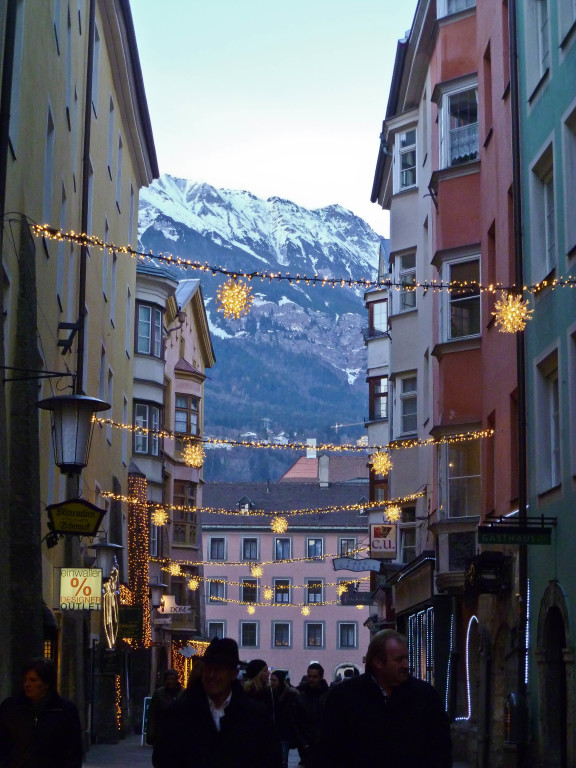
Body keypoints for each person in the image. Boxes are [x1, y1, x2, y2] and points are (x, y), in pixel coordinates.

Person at [321, 629, 453, 768]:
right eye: (399, 660)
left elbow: (441, 748)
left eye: (406, 658)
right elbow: (328, 750)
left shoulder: (425, 696)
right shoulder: (344, 697)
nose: (406, 665)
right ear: (378, 662)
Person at [152, 638, 282, 768]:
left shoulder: (256, 715)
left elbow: (271, 760)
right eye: (208, 669)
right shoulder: (179, 713)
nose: (211, 675)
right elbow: (163, 759)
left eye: (219, 669)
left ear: (233, 674)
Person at [0, 657, 83, 768]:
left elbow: (73, 751)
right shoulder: (11, 708)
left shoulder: (64, 710)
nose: (27, 684)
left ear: (46, 684)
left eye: (33, 680)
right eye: (25, 680)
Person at [293, 662, 329, 768]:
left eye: (315, 677)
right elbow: (296, 722)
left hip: (325, 745)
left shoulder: (329, 696)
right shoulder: (301, 697)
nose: (311, 679)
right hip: (307, 746)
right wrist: (303, 744)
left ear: (321, 677)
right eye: (309, 676)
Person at [146, 668, 183, 746]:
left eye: (172, 679)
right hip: (162, 733)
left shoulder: (183, 693)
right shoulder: (159, 694)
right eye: (167, 679)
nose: (169, 681)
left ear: (176, 680)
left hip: (179, 734)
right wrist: (150, 734)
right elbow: (152, 715)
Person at [270, 671, 299, 768]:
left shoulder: (290, 694)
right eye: (271, 679)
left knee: (283, 759)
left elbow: (289, 713)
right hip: (273, 731)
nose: (271, 682)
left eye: (274, 680)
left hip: (284, 732)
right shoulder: (269, 694)